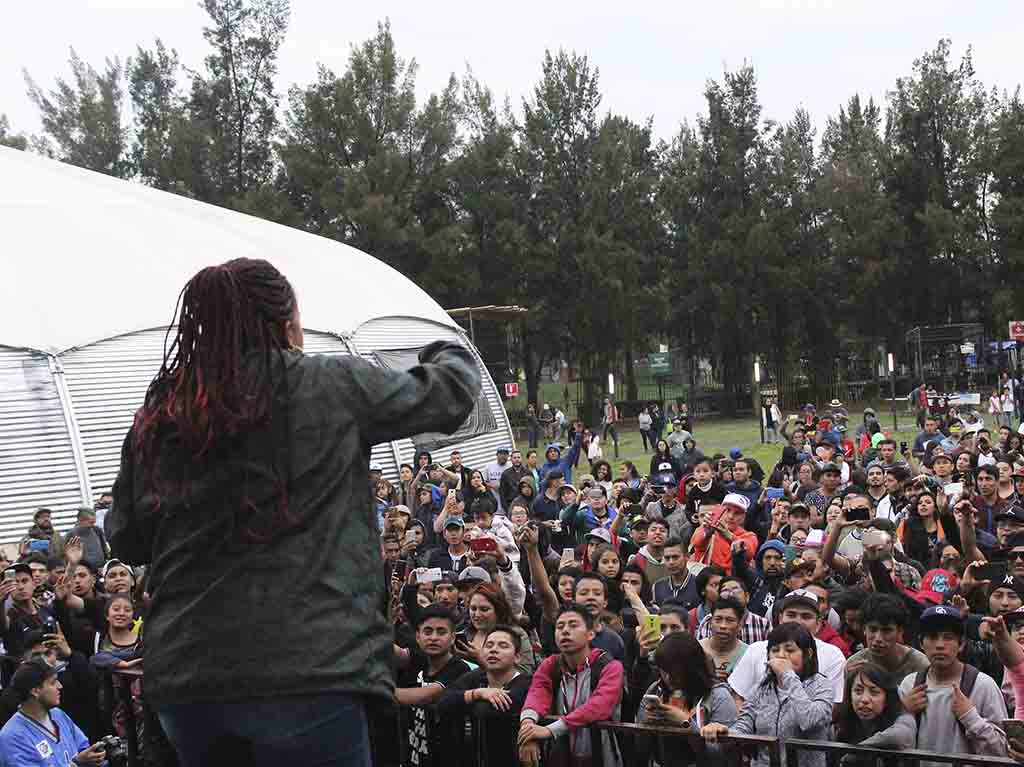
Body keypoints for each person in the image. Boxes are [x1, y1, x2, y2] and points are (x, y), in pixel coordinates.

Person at [106, 258, 481, 767]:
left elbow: (125, 536)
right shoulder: (325, 382)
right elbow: (449, 395)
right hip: (307, 673)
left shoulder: (164, 409)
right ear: (286, 326)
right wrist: (447, 346)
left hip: (188, 679)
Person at [702, 622, 833, 767]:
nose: (781, 655)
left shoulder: (822, 686)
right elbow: (744, 727)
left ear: (808, 654)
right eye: (775, 650)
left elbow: (809, 720)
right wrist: (724, 730)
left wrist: (788, 676)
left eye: (790, 650)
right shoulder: (762, 688)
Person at [518, 603, 624, 767]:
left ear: (590, 634)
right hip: (560, 755)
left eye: (573, 625)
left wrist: (550, 730)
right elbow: (537, 694)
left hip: (601, 754)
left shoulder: (610, 666)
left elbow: (599, 706)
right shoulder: (550, 664)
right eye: (560, 626)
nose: (565, 631)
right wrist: (528, 728)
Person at [898, 605, 1007, 761]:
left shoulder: (982, 685)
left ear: (961, 644)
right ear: (921, 643)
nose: (940, 645)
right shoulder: (910, 684)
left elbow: (1002, 752)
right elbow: (894, 747)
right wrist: (903, 712)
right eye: (932, 637)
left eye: (948, 637)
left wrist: (971, 718)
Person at [727, 590, 847, 707]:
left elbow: (834, 706)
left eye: (806, 616)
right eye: (791, 615)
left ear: (818, 623)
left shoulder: (833, 655)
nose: (798, 621)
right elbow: (738, 697)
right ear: (780, 619)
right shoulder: (757, 649)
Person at [436, 626, 531, 767]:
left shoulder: (526, 682)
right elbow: (443, 701)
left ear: (517, 657)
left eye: (503, 646)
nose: (494, 650)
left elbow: (492, 709)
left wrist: (466, 702)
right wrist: (478, 693)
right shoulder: (476, 677)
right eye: (489, 645)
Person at [638, 632, 738, 764]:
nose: (668, 678)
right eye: (664, 670)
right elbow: (639, 745)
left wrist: (686, 724)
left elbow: (723, 755)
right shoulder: (656, 690)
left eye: (675, 671)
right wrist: (647, 723)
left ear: (692, 668)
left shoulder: (718, 696)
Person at [393, 605, 472, 767]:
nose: (433, 638)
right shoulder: (420, 660)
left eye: (441, 632)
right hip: (415, 755)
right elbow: (395, 653)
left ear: (452, 638)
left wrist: (375, 691)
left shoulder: (459, 668)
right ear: (417, 637)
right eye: (427, 632)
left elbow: (426, 696)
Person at [0, 658, 107, 767]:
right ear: (35, 691)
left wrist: (96, 757)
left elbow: (83, 748)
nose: (60, 686)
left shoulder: (58, 714)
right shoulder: (12, 737)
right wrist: (76, 764)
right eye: (53, 682)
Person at [835, 662, 916, 756]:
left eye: (874, 692)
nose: (864, 699)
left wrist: (855, 752)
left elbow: (897, 737)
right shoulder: (843, 722)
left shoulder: (904, 719)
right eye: (858, 691)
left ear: (887, 697)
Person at [846, 593, 929, 680]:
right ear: (864, 629)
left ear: (900, 631)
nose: (878, 638)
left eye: (886, 631)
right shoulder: (854, 665)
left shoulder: (920, 665)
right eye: (873, 629)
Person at [698, 598, 748, 682]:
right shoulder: (697, 649)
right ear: (710, 623)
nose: (723, 626)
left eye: (730, 620)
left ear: (740, 625)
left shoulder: (747, 655)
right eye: (718, 619)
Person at [652, 536, 699, 609]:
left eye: (675, 557)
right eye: (667, 558)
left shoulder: (699, 585)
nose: (671, 562)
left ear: (687, 557)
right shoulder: (657, 587)